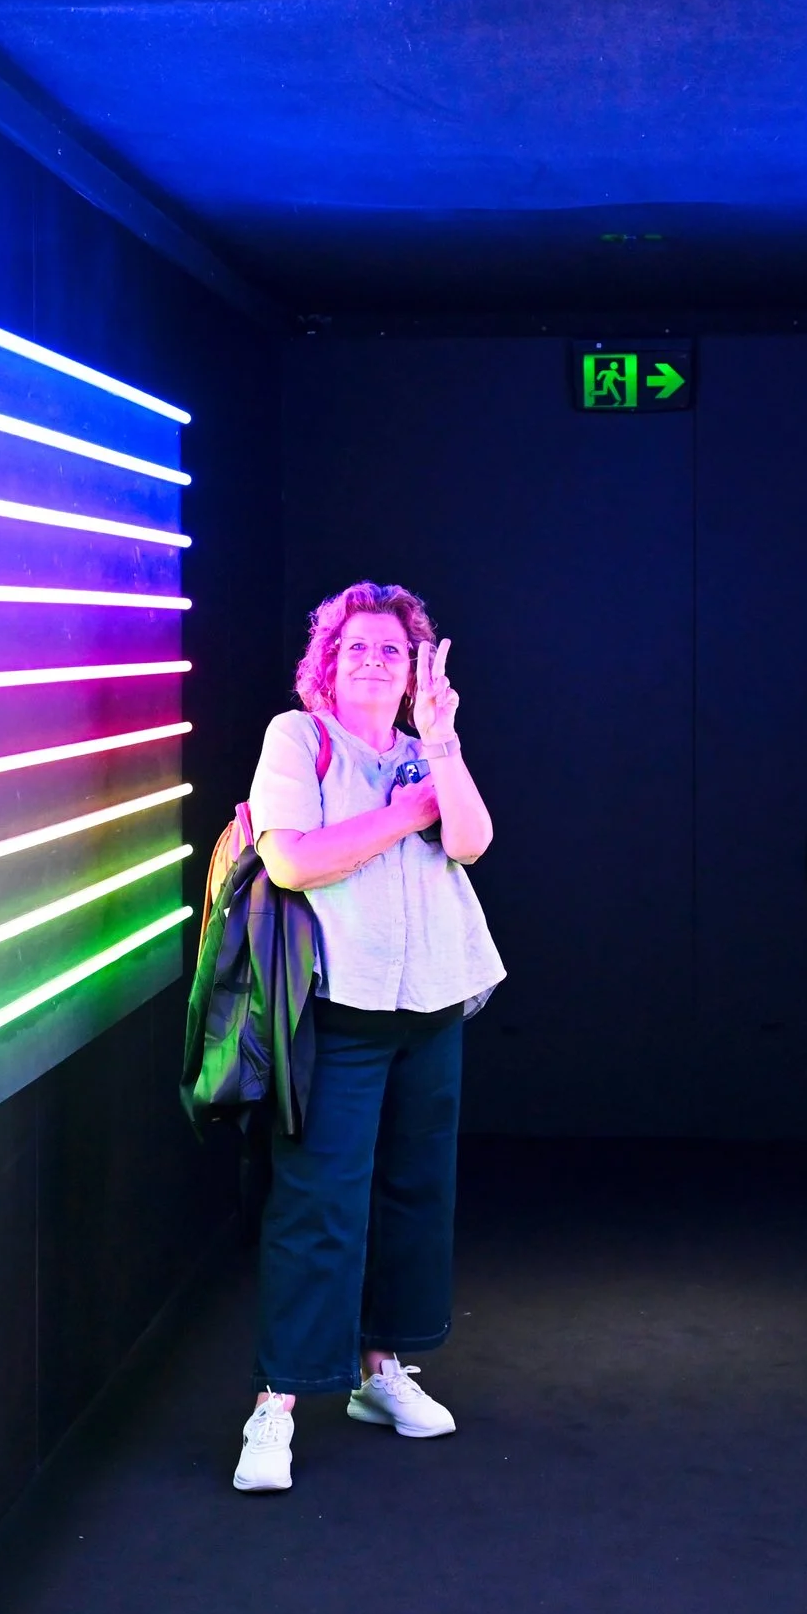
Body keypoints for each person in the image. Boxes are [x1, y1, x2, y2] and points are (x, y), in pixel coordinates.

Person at [232, 581, 503, 1493]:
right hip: (338, 1008)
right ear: (328, 664)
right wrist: (406, 814)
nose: (375, 662)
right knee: (319, 1204)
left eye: (393, 649)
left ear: (416, 668)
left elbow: (472, 841)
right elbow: (291, 859)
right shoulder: (298, 738)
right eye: (357, 648)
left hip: (431, 1002)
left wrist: (443, 744)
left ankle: (380, 1371)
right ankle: (279, 1400)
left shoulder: (427, 750)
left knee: (414, 1194)